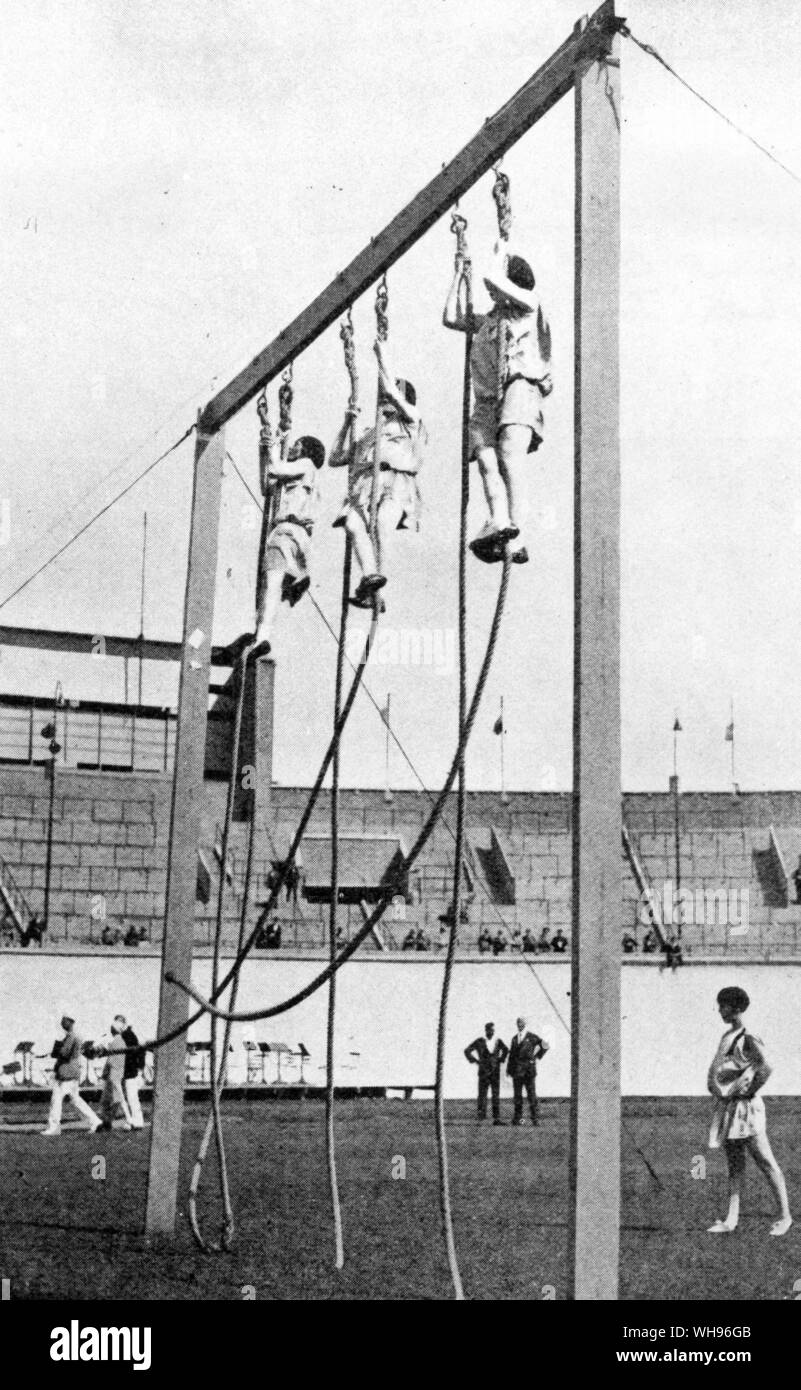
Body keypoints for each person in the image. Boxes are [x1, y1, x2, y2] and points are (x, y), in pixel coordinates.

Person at [443, 248, 552, 564]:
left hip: (518, 387)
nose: (489, 288)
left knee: (509, 455)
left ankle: (518, 537)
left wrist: (501, 246)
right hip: (487, 401)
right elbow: (451, 318)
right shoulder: (490, 320)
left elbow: (494, 279)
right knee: (487, 462)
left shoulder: (529, 308)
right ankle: (500, 522)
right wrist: (457, 277)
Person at [330, 340, 426, 608]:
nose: (385, 400)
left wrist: (382, 355)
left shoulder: (410, 421)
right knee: (352, 524)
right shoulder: (368, 433)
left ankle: (379, 588)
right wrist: (347, 423)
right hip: (364, 486)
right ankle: (370, 579)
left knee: (384, 525)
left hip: (394, 483)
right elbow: (336, 457)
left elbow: (393, 393)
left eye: (390, 397)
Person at [706, 986, 791, 1237]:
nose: (720, 1010)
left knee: (765, 1161)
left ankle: (785, 1216)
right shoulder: (728, 1035)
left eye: (725, 1006)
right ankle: (731, 1219)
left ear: (737, 1008)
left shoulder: (748, 1035)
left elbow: (766, 1066)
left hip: (747, 1108)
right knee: (734, 1164)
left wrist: (750, 1089)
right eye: (720, 1005)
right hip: (730, 1107)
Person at [249, 434, 326, 659]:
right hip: (301, 538)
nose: (291, 447)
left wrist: (271, 446)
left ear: (306, 451)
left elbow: (274, 468)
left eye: (297, 445)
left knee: (270, 586)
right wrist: (264, 449)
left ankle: (262, 637)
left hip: (285, 532)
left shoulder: (305, 464)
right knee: (272, 586)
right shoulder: (299, 477)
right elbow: (267, 485)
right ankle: (297, 579)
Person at [41, 1014, 101, 1136]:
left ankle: (54, 1127)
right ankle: (95, 1121)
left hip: (66, 1072)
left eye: (64, 1021)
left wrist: (57, 1046)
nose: (62, 1023)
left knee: (56, 1100)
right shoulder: (74, 1036)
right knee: (75, 1100)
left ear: (70, 1022)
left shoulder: (71, 1037)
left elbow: (64, 1053)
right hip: (72, 1072)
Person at [507, 1015, 549, 1127]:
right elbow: (511, 1055)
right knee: (517, 1097)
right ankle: (518, 1120)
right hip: (517, 1071)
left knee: (531, 1096)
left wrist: (536, 1057)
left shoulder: (531, 1037)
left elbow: (545, 1045)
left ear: (525, 1024)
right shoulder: (514, 1038)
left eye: (521, 1023)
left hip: (528, 1071)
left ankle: (535, 1119)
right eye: (517, 1023)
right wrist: (509, 1069)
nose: (519, 1025)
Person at [464, 1022, 509, 1125]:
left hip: (495, 1072)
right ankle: (480, 1119)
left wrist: (501, 1059)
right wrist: (475, 1061)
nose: (491, 1032)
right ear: (486, 1030)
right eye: (489, 1030)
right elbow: (467, 1051)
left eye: (493, 1030)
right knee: (482, 1095)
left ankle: (496, 1119)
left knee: (495, 1095)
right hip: (483, 1072)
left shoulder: (498, 1041)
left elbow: (506, 1049)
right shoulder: (479, 1041)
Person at [98, 1021, 132, 1132]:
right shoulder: (122, 1042)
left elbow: (110, 1060)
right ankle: (107, 1121)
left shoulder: (114, 1042)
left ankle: (128, 1120)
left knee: (117, 1099)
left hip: (113, 1073)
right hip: (118, 1072)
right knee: (114, 1098)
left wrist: (104, 1073)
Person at [115, 1014, 145, 1130]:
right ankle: (135, 1121)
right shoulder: (130, 1035)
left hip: (129, 1072)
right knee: (131, 1097)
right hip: (131, 1071)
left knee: (131, 1098)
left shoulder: (127, 1036)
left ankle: (136, 1122)